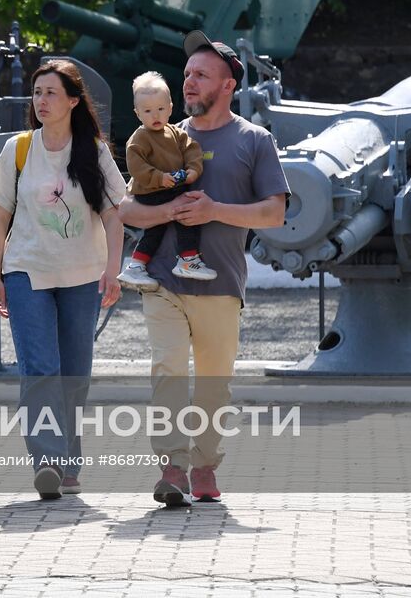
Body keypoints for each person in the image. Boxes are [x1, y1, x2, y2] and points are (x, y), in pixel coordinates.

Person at [117, 31, 288, 507]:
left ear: (228, 83)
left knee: (214, 383)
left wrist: (214, 210)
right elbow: (127, 209)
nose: (189, 83)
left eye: (201, 75)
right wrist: (168, 213)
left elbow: (273, 213)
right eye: (187, 74)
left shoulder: (255, 141)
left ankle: (205, 465)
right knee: (168, 372)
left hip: (221, 283)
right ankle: (172, 467)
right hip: (162, 281)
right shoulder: (160, 136)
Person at [0, 59, 126, 500]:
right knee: (42, 368)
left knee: (75, 373)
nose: (41, 100)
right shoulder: (18, 149)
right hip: (27, 271)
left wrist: (112, 270)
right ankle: (47, 461)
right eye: (37, 92)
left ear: (72, 101)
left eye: (50, 93)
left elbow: (114, 215)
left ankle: (68, 462)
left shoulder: (94, 152)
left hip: (83, 275)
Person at [118, 71, 216, 289]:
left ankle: (136, 265)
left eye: (161, 109)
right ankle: (188, 258)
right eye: (148, 111)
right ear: (137, 113)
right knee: (186, 212)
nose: (155, 116)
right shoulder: (139, 138)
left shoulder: (175, 132)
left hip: (170, 186)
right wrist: (159, 178)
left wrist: (192, 170)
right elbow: (136, 166)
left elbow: (192, 150)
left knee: (156, 230)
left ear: (170, 108)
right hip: (150, 190)